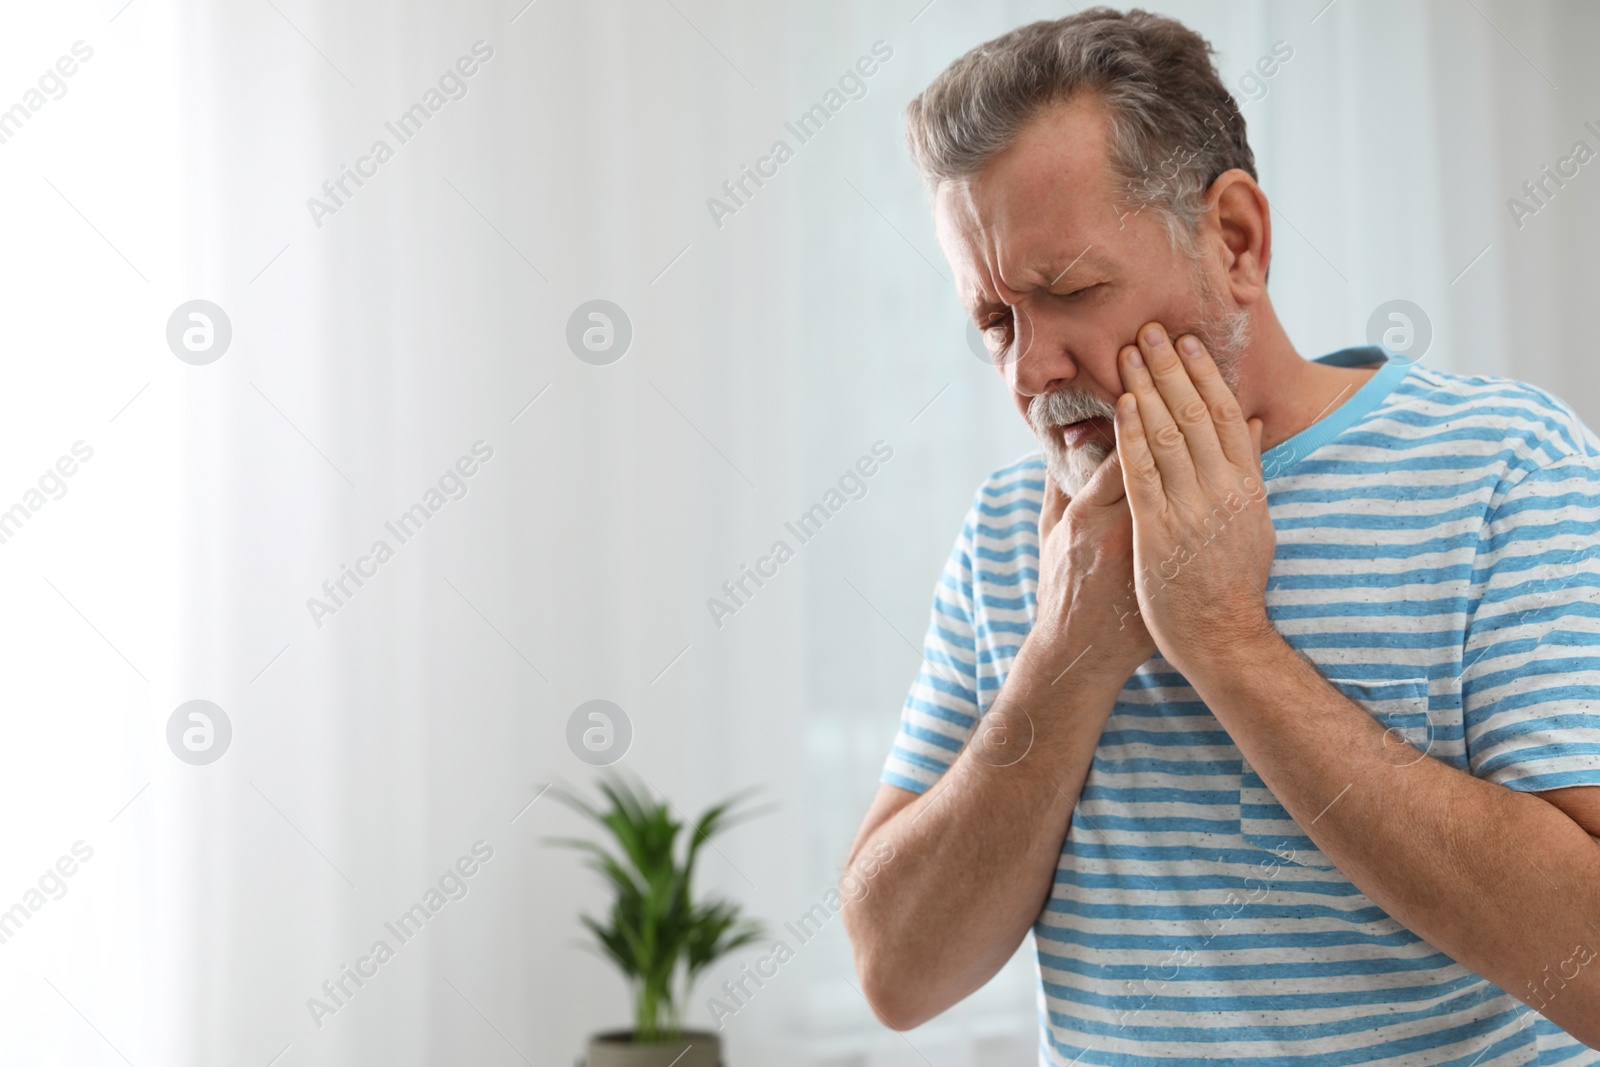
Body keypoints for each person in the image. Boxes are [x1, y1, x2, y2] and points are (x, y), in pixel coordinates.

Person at [839, 8, 1600, 1064]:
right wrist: (1066, 655)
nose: (1027, 371)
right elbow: (895, 969)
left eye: (1067, 292)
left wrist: (1225, 640)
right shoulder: (1012, 534)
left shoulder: (1506, 467)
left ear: (1234, 240)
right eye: (994, 321)